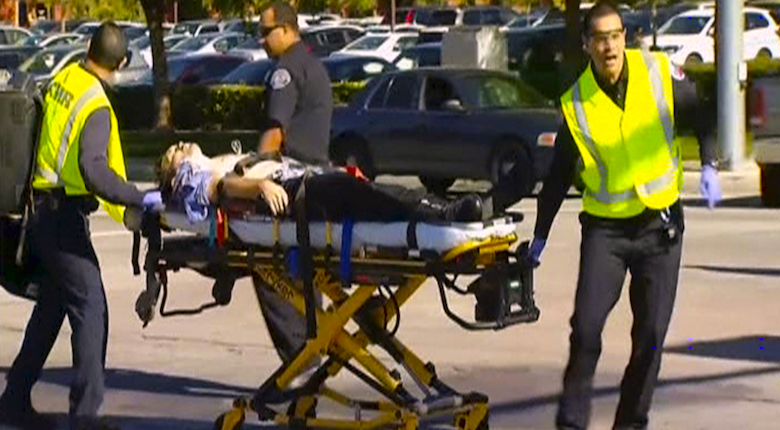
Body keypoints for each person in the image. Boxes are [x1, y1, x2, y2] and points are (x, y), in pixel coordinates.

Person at [528, 3, 721, 430]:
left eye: (615, 35)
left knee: (650, 337)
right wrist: (539, 236)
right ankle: (572, 422)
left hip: (660, 227)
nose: (609, 44)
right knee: (586, 329)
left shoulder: (658, 74)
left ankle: (630, 423)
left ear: (625, 38)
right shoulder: (578, 102)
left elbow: (700, 113)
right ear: (587, 45)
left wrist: (709, 164)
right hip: (607, 231)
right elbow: (559, 174)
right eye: (599, 37)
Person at [0, 22, 164, 430]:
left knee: (53, 306)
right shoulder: (96, 106)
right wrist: (140, 198)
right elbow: (94, 171)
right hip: (62, 219)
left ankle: (14, 402)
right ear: (122, 63)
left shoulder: (64, 79)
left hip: (38, 212)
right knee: (91, 308)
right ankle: (86, 418)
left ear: (88, 49)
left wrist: (121, 212)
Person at [156, 142, 487, 224]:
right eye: (173, 152)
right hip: (286, 193)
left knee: (373, 191)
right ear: (175, 173)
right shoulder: (190, 179)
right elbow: (220, 190)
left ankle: (450, 207)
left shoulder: (204, 164)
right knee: (365, 195)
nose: (180, 145)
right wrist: (258, 187)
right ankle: (442, 215)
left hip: (297, 181)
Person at [259, 0, 333, 165]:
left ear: (285, 29)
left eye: (266, 32)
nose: (261, 40)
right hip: (317, 170)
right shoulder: (313, 64)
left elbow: (275, 132)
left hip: (291, 171)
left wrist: (253, 175)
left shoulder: (285, 70)